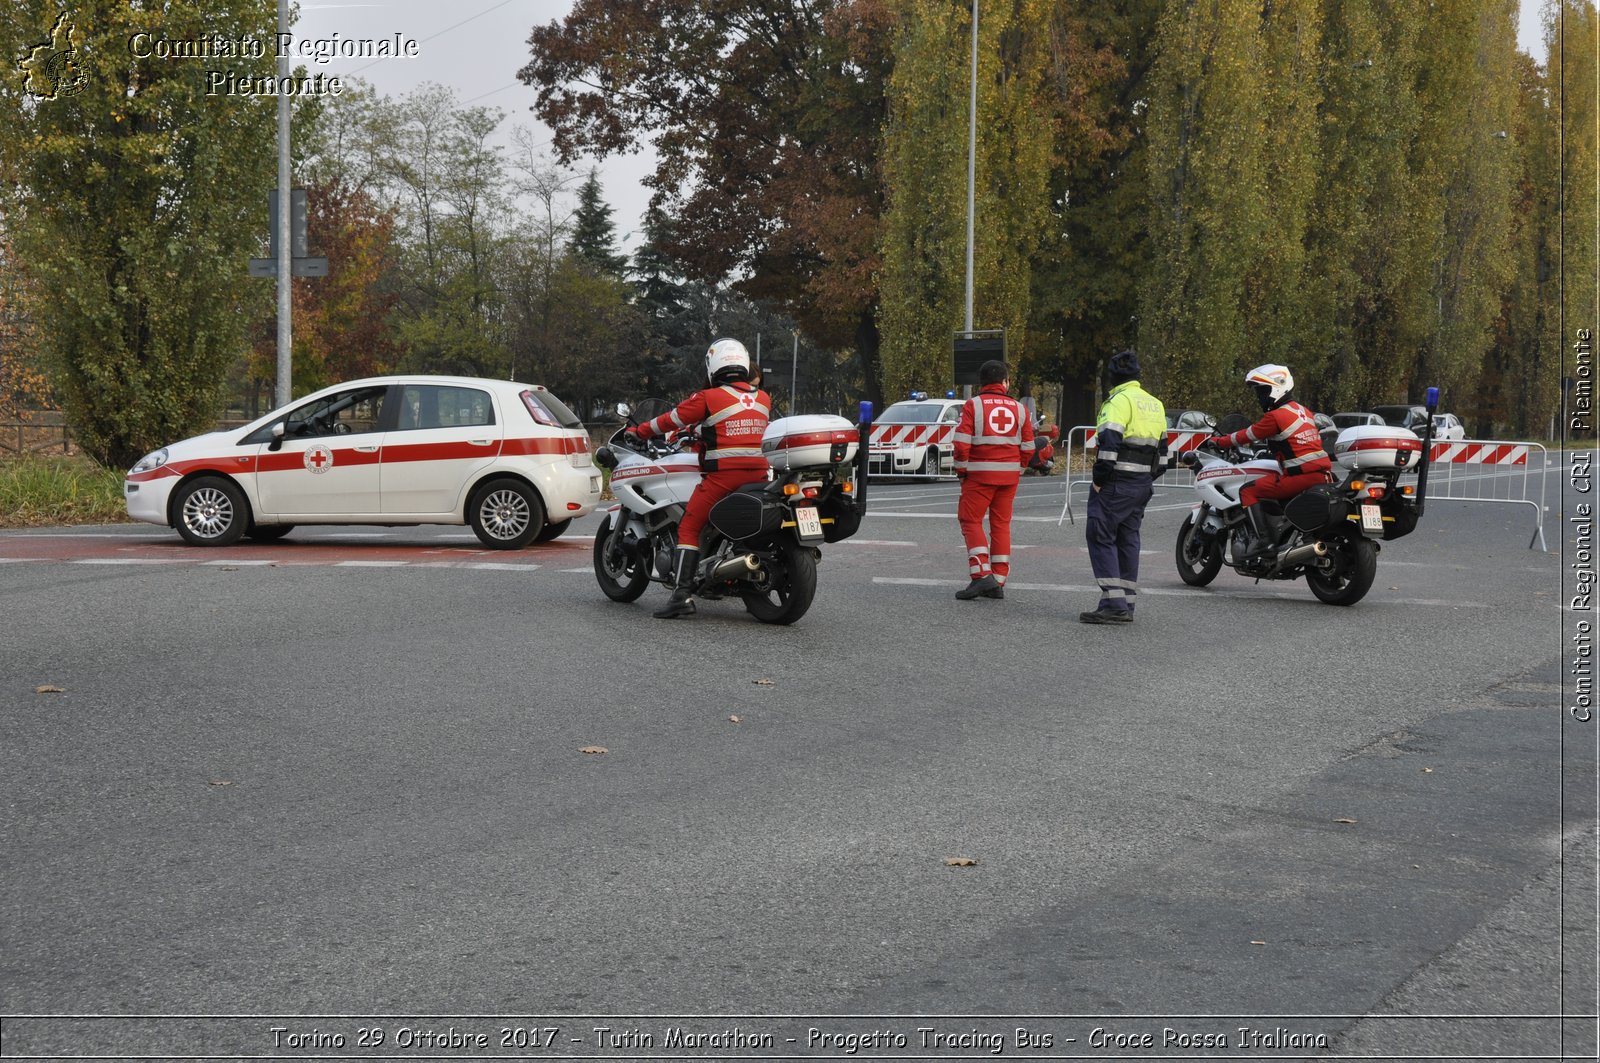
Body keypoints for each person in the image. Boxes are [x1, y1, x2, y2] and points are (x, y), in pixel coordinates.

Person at [627, 338, 772, 618]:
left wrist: (641, 431)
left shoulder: (708, 397)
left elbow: (670, 420)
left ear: (713, 366)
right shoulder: (762, 398)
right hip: (759, 475)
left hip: (723, 477)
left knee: (690, 527)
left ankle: (681, 595)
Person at [1207, 363, 1332, 561]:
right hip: (1323, 476)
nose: (1260, 396)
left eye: (1262, 391)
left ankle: (1265, 542)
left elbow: (1246, 435)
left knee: (1248, 490)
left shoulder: (1275, 416)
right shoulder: (1303, 411)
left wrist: (1218, 441)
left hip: (1301, 477)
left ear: (1276, 388)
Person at [1081, 349, 1167, 624]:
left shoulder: (1117, 402)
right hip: (1142, 483)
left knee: (1100, 535)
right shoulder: (1155, 404)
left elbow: (1108, 445)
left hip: (1116, 481)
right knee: (1128, 540)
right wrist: (1144, 478)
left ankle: (1114, 603)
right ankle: (1125, 603)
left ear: (1113, 377)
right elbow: (1164, 457)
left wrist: (1098, 480)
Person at [952, 359, 1034, 600]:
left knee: (970, 520)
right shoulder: (1020, 409)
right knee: (1001, 524)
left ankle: (981, 575)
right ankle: (998, 580)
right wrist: (1018, 469)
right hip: (1008, 478)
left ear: (981, 383)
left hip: (978, 475)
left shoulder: (973, 405)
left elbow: (961, 443)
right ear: (1005, 382)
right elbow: (1028, 447)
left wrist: (962, 470)